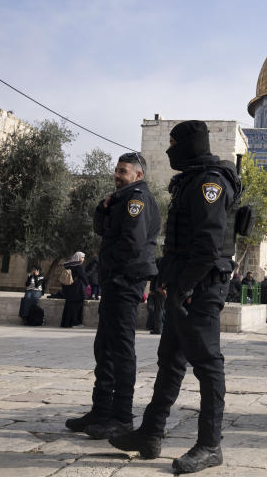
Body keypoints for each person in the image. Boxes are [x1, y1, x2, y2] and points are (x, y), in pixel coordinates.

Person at [109, 120, 239, 474]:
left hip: (201, 288)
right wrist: (170, 281)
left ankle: (210, 445)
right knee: (170, 360)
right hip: (184, 286)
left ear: (190, 145)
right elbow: (181, 244)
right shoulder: (192, 180)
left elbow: (209, 245)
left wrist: (184, 287)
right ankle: (150, 434)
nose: (168, 151)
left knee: (208, 365)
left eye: (172, 144)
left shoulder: (210, 182)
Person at [65, 153, 159, 440]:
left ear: (138, 175)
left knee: (120, 349)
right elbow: (101, 229)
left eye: (123, 171)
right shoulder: (121, 198)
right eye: (117, 170)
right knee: (104, 347)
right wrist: (102, 207)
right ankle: (101, 410)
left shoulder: (136, 200)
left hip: (124, 280)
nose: (117, 175)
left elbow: (131, 242)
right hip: (115, 281)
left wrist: (107, 268)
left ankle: (121, 417)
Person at [60, 252, 89, 328]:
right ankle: (75, 323)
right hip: (77, 289)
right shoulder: (79, 266)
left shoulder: (68, 265)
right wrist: (88, 285)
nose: (83, 259)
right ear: (78, 257)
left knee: (69, 306)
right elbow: (84, 277)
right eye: (82, 257)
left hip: (69, 288)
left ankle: (66, 323)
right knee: (77, 306)